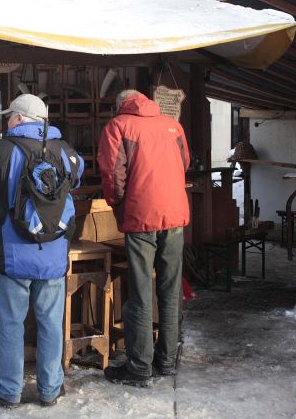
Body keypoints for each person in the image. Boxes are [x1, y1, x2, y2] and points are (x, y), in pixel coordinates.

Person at [0, 94, 84, 408]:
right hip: (52, 253)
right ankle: (50, 389)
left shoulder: (3, 150)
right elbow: (77, 177)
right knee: (50, 324)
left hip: (13, 253)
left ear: (19, 118)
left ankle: (9, 392)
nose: (7, 121)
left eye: (10, 116)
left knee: (11, 324)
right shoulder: (65, 150)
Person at [97, 89, 190, 387]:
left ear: (119, 105)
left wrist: (119, 207)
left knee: (140, 292)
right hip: (175, 214)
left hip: (141, 217)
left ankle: (139, 367)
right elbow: (184, 164)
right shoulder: (172, 125)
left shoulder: (118, 125)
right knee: (170, 290)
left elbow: (113, 176)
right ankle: (167, 361)